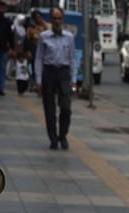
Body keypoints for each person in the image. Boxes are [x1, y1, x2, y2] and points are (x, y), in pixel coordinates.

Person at [33, 7, 76, 150]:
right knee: (49, 109)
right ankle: (53, 138)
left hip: (63, 73)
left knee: (65, 108)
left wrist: (74, 80)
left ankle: (62, 135)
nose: (57, 21)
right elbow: (38, 58)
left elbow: (72, 59)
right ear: (51, 19)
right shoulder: (44, 36)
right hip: (49, 73)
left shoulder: (69, 37)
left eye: (59, 18)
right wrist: (38, 80)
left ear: (62, 19)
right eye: (54, 18)